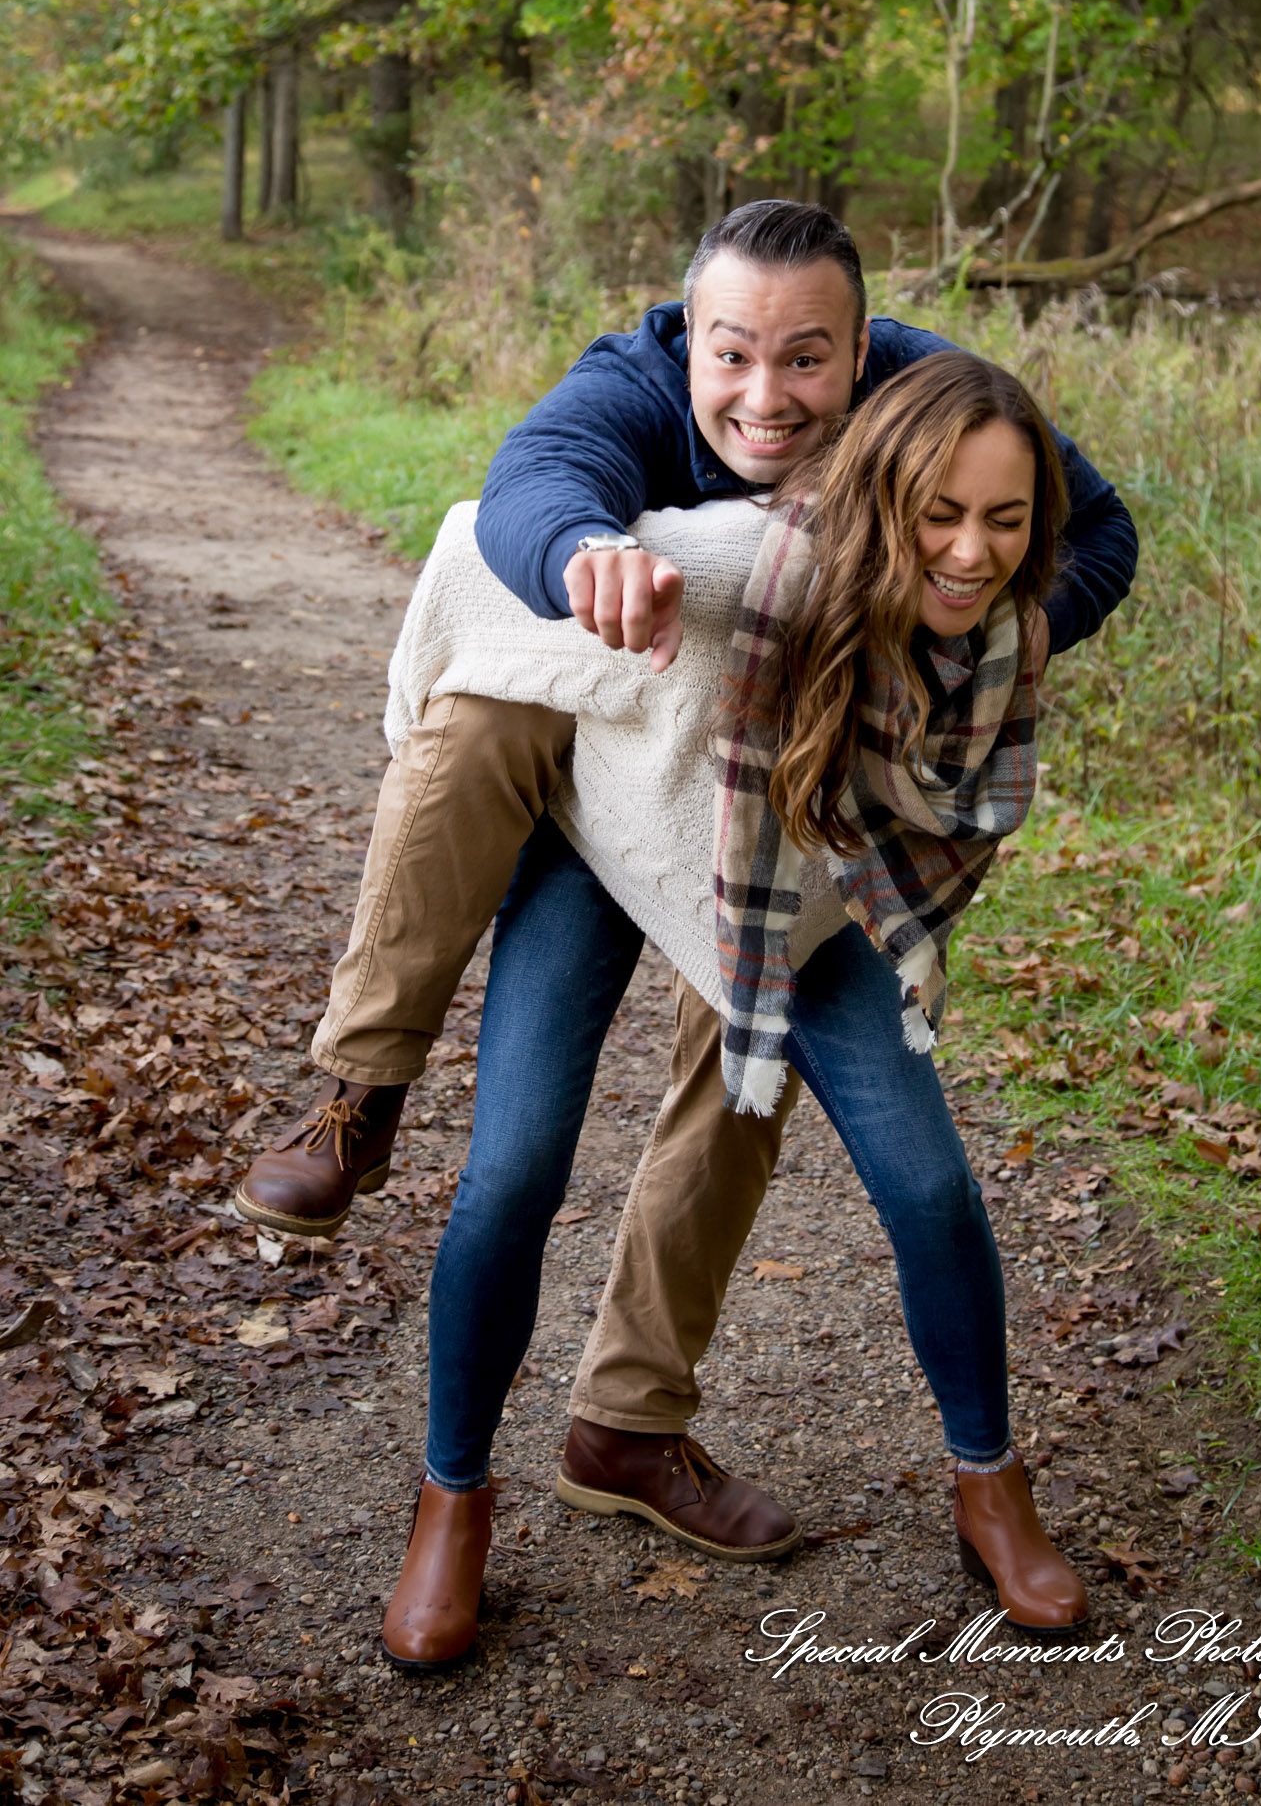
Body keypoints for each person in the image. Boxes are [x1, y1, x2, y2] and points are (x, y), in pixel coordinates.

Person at [234, 200, 1137, 1566]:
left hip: (785, 826)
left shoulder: (927, 400)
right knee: (517, 1157)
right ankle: (443, 1467)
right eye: (733, 356)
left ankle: (643, 1430)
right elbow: (531, 481)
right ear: (688, 335)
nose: (767, 398)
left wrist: (961, 644)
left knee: (795, 1120)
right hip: (606, 812)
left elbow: (1095, 531)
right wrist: (583, 557)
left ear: (863, 346)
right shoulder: (634, 385)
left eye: (809, 360)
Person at [378, 350, 1089, 1668]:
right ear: (882, 502)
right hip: (607, 834)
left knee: (929, 1185)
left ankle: (989, 1486)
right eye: (942, 515)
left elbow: (1074, 567)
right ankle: (452, 1499)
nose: (974, 551)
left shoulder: (1009, 631)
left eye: (1007, 520)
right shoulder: (742, 559)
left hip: (791, 890)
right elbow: (473, 550)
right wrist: (459, 670)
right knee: (516, 1165)